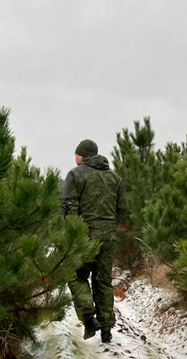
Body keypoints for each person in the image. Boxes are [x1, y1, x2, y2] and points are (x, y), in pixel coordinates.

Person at [62, 139, 127, 343]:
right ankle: (107, 329)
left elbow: (68, 206)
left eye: (76, 155)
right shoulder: (114, 178)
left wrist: (75, 233)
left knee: (76, 276)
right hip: (108, 237)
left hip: (84, 236)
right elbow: (122, 210)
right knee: (103, 281)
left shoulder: (75, 174)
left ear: (81, 156)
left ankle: (89, 318)